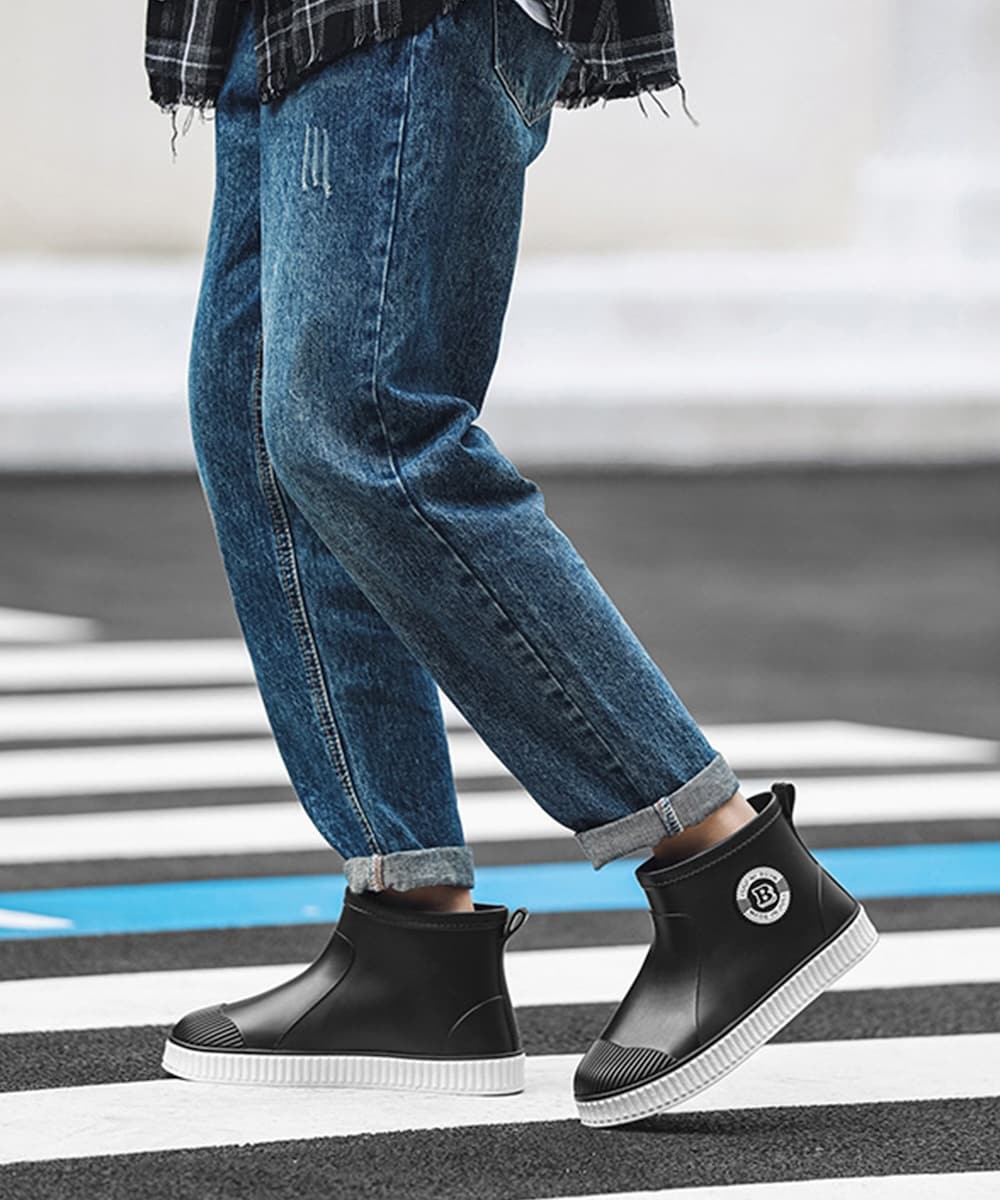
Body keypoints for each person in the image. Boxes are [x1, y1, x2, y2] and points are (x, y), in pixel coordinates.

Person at [144, 0, 878, 1127]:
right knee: (259, 440)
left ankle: (731, 870)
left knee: (368, 430)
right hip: (267, 22)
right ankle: (410, 944)